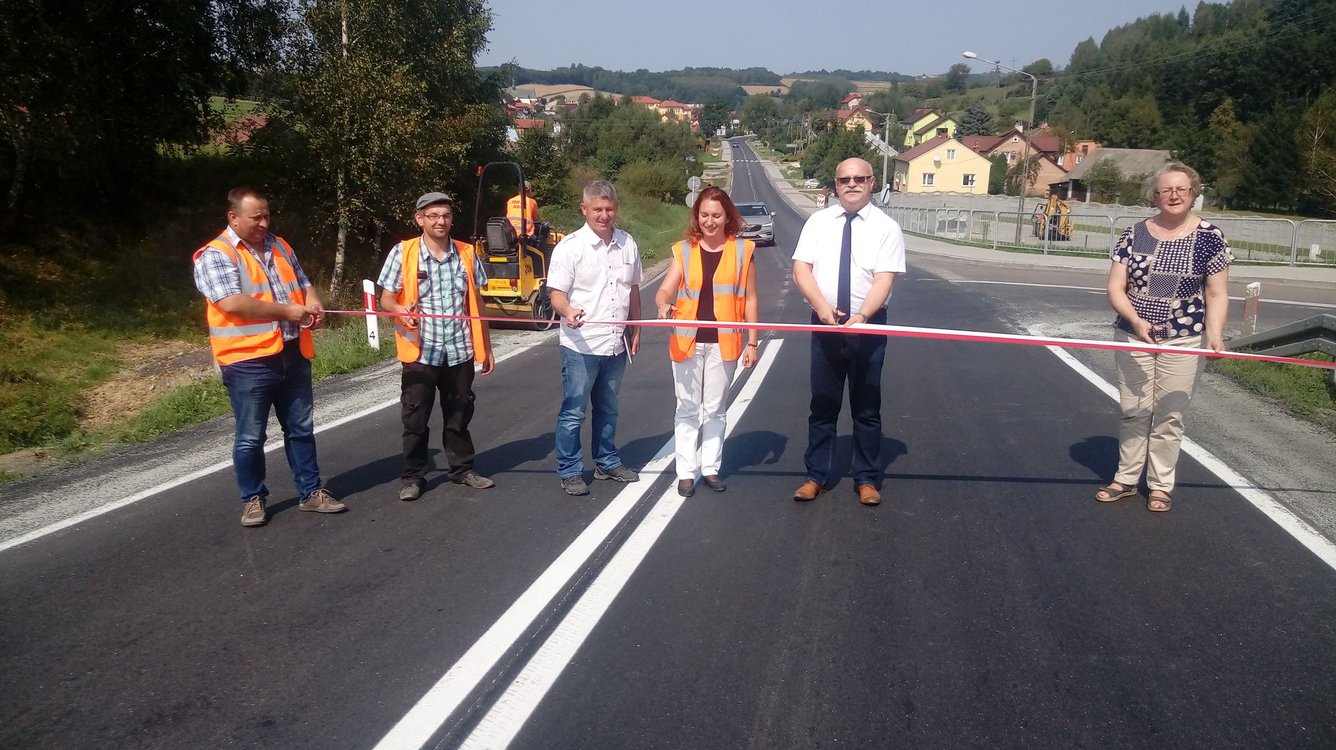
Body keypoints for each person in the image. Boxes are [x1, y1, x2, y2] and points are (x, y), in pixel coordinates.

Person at [192, 186, 346, 527]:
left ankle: (311, 492)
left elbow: (303, 282)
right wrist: (287, 312)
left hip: (293, 353)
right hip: (248, 362)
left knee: (301, 429)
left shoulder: (280, 245)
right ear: (233, 217)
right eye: (256, 217)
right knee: (250, 437)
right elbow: (232, 302)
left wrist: (313, 302)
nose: (264, 223)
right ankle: (252, 498)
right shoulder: (216, 254)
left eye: (267, 215)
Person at [1098, 162, 1231, 512]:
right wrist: (1135, 320)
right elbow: (1115, 288)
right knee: (1134, 410)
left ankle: (1160, 485)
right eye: (1166, 190)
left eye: (1181, 189)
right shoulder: (1134, 234)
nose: (1174, 195)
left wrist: (1215, 335)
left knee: (1170, 415)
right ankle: (1126, 479)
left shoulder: (1210, 237)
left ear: (1193, 193)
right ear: (1155, 196)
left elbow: (1216, 293)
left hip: (1185, 339)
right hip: (1133, 335)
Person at [791, 158, 906, 507]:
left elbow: (884, 280)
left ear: (871, 182)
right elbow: (801, 270)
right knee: (822, 405)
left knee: (866, 407)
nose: (852, 184)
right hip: (825, 323)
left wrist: (862, 315)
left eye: (859, 178)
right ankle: (815, 476)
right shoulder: (818, 222)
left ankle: (867, 478)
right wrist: (821, 307)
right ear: (836, 184)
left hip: (867, 325)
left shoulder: (887, 228)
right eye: (845, 179)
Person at [378, 192, 496, 501]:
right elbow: (386, 299)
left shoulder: (466, 253)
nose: (440, 221)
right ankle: (413, 476)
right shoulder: (403, 252)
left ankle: (462, 470)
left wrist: (486, 347)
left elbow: (478, 303)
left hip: (459, 349)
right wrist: (400, 310)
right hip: (420, 352)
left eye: (445, 215)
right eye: (433, 216)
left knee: (459, 414)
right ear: (420, 219)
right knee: (415, 418)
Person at [655, 187, 759, 497]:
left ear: (727, 217)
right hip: (687, 341)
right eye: (704, 215)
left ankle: (710, 467)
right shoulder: (684, 250)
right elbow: (665, 289)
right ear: (696, 216)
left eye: (716, 215)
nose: (709, 222)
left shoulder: (743, 251)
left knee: (715, 409)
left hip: (724, 342)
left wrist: (753, 342)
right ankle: (686, 472)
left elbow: (751, 299)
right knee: (687, 408)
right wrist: (663, 303)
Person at [548, 180, 643, 496]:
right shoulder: (570, 247)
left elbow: (633, 290)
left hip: (616, 344)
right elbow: (557, 295)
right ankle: (570, 470)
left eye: (609, 209)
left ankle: (607, 461)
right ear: (584, 209)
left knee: (608, 408)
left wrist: (636, 329)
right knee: (573, 412)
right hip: (581, 346)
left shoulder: (627, 243)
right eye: (597, 209)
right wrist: (567, 311)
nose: (604, 215)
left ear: (616, 209)